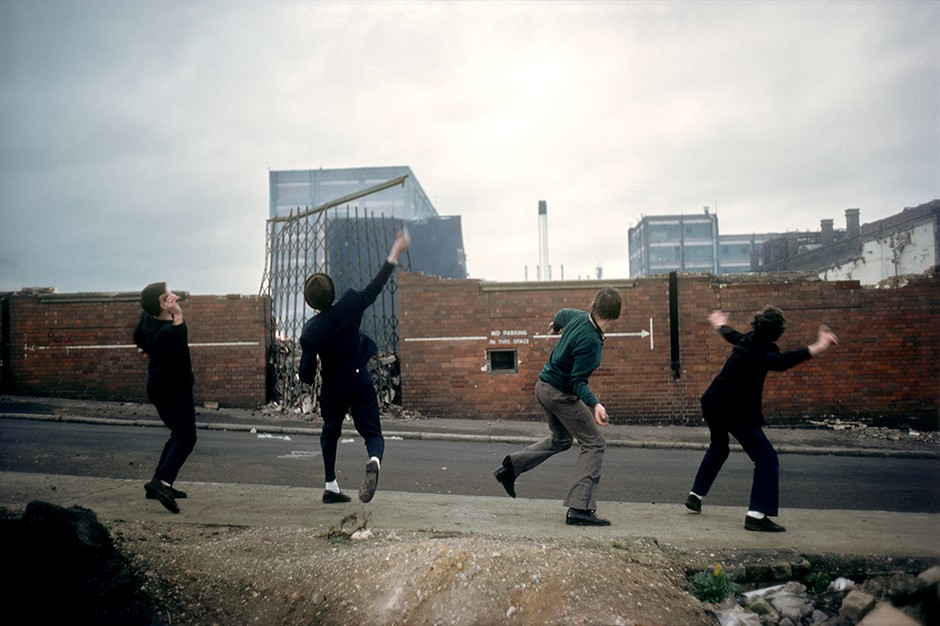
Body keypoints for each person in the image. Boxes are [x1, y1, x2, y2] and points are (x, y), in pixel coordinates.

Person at [685, 306, 839, 532]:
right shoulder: (765, 349)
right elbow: (780, 362)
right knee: (766, 458)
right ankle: (756, 515)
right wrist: (818, 346)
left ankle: (695, 495)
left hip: (713, 402)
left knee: (719, 448)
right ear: (778, 332)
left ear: (757, 325)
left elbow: (731, 334)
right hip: (735, 410)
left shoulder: (747, 340)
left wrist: (718, 323)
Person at [299, 228, 411, 504]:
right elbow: (375, 287)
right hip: (358, 379)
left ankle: (330, 486)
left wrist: (308, 358)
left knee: (330, 433)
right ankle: (374, 459)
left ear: (310, 302)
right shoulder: (349, 304)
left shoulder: (310, 332)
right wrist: (395, 251)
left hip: (333, 388)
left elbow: (307, 375)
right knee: (373, 433)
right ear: (332, 291)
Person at [493, 287, 622, 526]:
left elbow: (561, 313)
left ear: (593, 303)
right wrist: (595, 404)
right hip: (560, 394)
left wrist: (555, 326)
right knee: (594, 443)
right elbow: (577, 381)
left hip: (542, 386)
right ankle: (579, 508)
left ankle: (510, 468)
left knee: (561, 440)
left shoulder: (578, 316)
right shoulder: (592, 342)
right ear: (615, 316)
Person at [133, 283, 197, 514]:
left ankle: (158, 482)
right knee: (187, 437)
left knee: (178, 434)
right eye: (166, 297)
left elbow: (137, 335)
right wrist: (178, 316)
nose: (172, 297)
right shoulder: (169, 331)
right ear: (160, 305)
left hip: (159, 386)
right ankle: (162, 483)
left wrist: (143, 349)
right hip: (174, 389)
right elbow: (181, 352)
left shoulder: (148, 319)